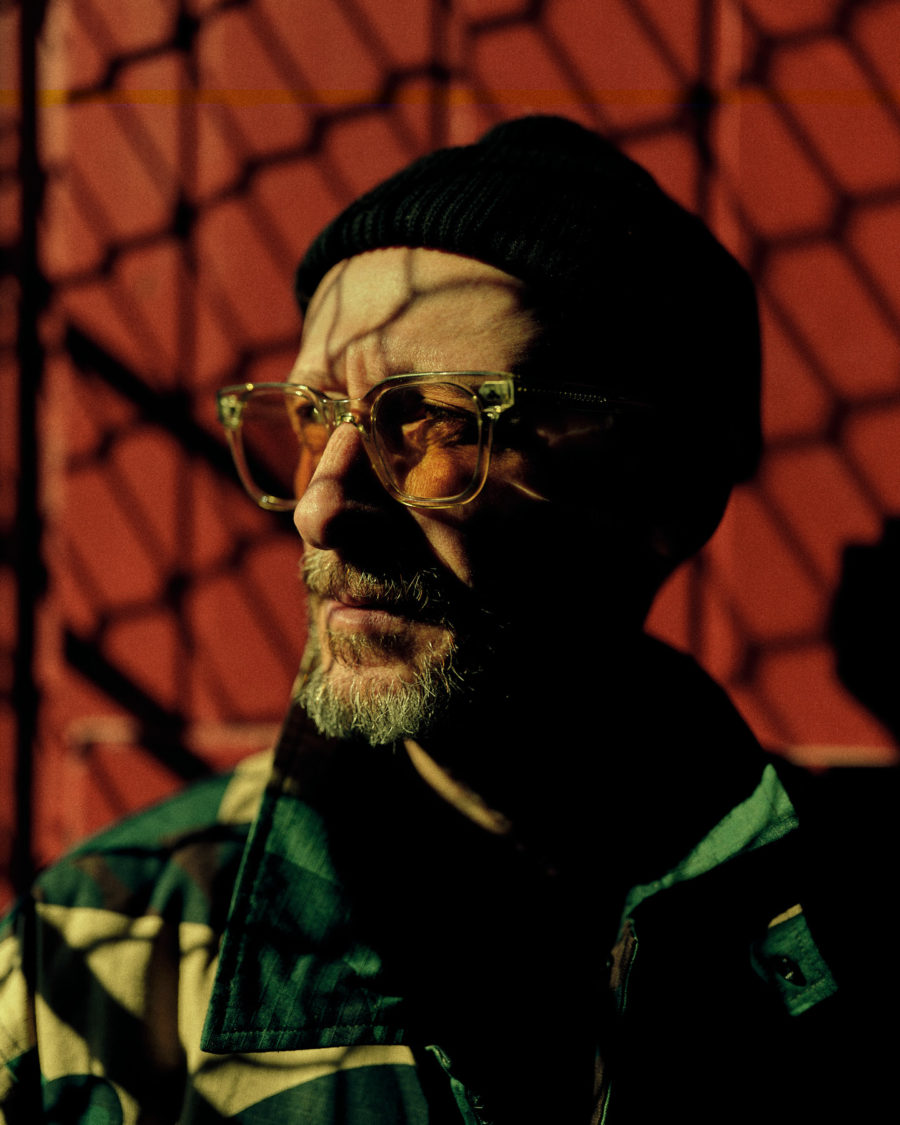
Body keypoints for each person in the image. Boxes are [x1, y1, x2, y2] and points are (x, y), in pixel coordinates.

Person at [0, 115, 894, 1124]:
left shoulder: (851, 933)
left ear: (665, 494)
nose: (321, 507)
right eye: (313, 418)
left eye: (433, 421)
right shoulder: (90, 965)